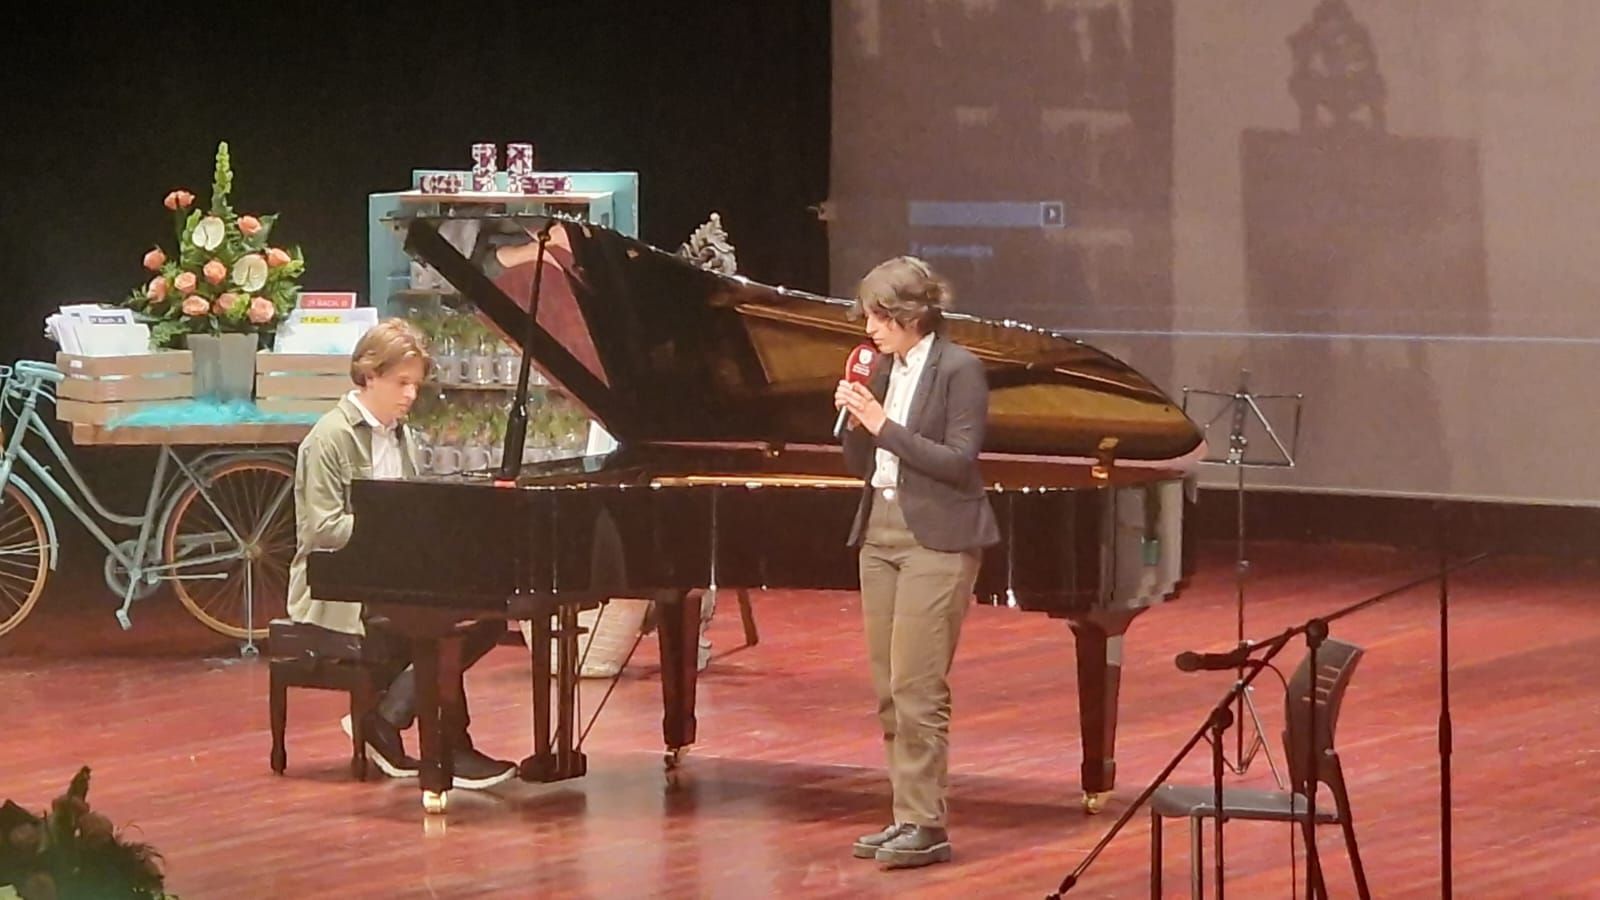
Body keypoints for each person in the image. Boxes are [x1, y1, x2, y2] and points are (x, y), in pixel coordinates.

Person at [286, 317, 517, 790]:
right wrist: (392, 533)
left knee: (484, 617)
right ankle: (444, 745)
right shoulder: (328, 438)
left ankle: (391, 718)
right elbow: (322, 529)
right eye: (401, 383)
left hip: (389, 579)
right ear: (369, 376)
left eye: (416, 384)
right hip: (341, 590)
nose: (411, 395)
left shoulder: (403, 435)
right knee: (443, 627)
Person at [834, 256, 1000, 869]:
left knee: (917, 683)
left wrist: (883, 424)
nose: (871, 328)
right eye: (870, 317)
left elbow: (958, 461)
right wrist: (857, 417)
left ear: (911, 314)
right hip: (878, 530)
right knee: (887, 687)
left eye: (881, 316)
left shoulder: (960, 368)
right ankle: (903, 815)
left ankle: (926, 823)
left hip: (938, 536)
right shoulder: (882, 368)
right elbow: (862, 460)